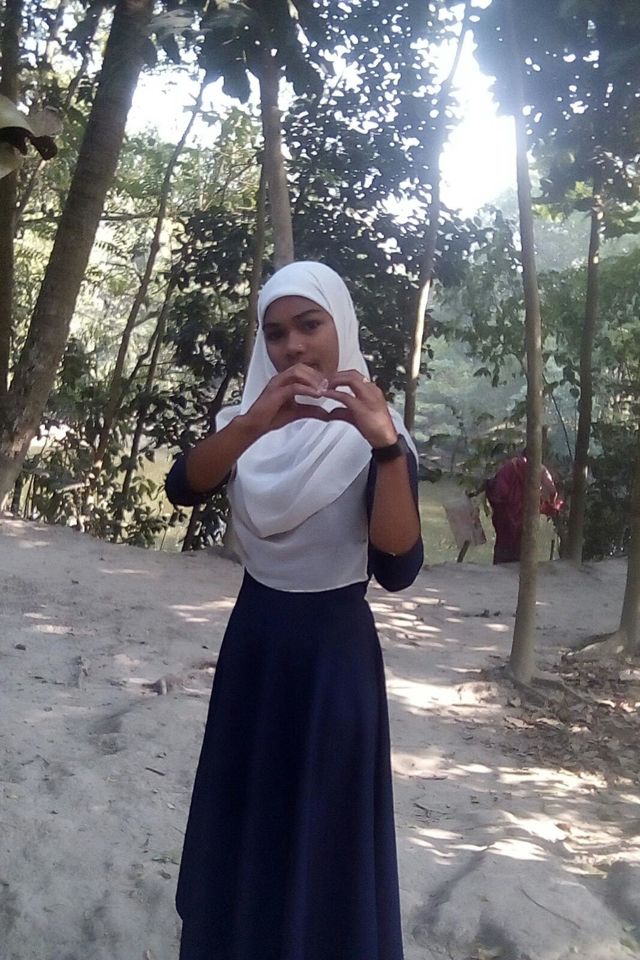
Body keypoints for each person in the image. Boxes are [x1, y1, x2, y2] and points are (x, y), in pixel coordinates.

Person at [165, 261, 424, 960]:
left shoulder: (377, 432)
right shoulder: (244, 425)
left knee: (323, 831)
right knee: (246, 815)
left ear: (341, 325)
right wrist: (255, 422)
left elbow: (397, 568)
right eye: (275, 333)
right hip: (254, 644)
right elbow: (183, 487)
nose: (293, 346)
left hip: (333, 660)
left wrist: (384, 446)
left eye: (309, 325)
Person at [484, 449, 562, 564]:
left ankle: (500, 567)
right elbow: (552, 491)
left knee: (502, 545)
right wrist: (548, 503)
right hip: (524, 516)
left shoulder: (510, 466)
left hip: (504, 517)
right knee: (521, 546)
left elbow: (499, 491)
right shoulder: (540, 469)